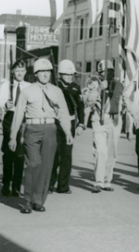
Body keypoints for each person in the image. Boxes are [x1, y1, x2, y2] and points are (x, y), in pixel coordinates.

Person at [8, 58, 72, 214]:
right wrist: (13, 136)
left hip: (51, 128)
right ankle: (28, 200)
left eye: (48, 71)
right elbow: (18, 115)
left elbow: (63, 113)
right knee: (33, 164)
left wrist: (68, 132)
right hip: (32, 128)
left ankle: (39, 200)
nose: (45, 74)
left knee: (46, 166)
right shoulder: (27, 91)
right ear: (36, 74)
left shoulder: (57, 91)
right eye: (42, 72)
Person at [87, 61, 126, 193]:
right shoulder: (93, 84)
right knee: (100, 151)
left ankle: (107, 180)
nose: (106, 74)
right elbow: (88, 101)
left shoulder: (119, 85)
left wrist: (135, 119)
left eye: (109, 71)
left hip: (114, 120)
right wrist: (99, 89)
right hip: (99, 119)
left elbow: (126, 102)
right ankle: (98, 181)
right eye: (103, 72)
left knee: (111, 153)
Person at [49, 59, 85, 195]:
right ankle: (50, 183)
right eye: (67, 74)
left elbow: (80, 106)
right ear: (60, 74)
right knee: (54, 153)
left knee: (66, 155)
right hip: (55, 123)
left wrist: (81, 123)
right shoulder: (54, 86)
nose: (70, 77)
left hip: (69, 124)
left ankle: (63, 185)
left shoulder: (75, 87)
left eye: (71, 75)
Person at [0, 60, 30, 197]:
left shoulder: (29, 86)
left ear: (26, 72)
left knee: (20, 155)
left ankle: (16, 186)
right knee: (8, 154)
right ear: (13, 72)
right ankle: (6, 184)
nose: (20, 73)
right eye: (17, 71)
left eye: (22, 71)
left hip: (23, 121)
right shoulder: (6, 86)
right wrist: (5, 105)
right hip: (10, 118)